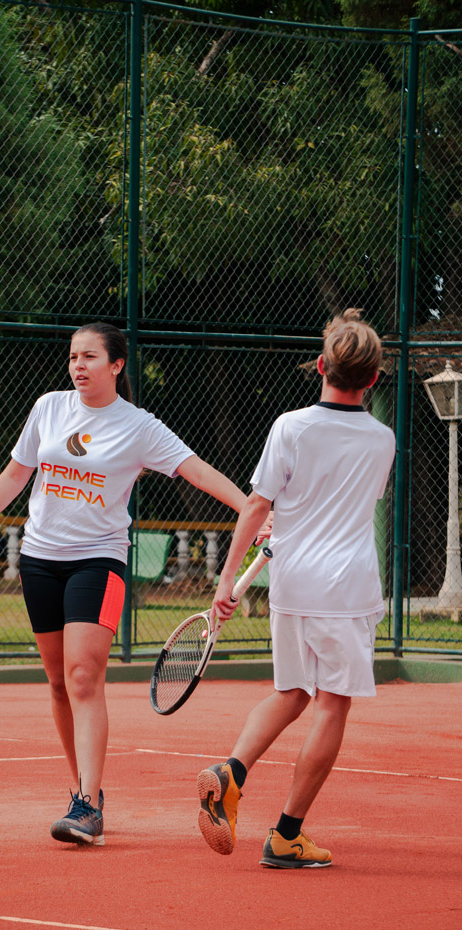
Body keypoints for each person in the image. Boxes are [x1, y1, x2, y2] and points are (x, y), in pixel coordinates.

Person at [0, 321, 246, 847]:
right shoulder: (48, 408)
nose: (78, 366)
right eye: (73, 357)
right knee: (58, 683)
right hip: (39, 560)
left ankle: (88, 806)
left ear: (116, 365)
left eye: (89, 356)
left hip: (99, 561)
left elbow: (197, 471)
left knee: (84, 677)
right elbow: (15, 475)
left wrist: (251, 510)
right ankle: (81, 793)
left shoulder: (139, 426)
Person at [196, 308, 396, 869]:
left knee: (291, 692)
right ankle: (286, 836)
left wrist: (227, 578)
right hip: (346, 592)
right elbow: (349, 505)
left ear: (320, 366)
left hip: (290, 584)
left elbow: (259, 505)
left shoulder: (289, 426)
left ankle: (232, 771)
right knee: (331, 704)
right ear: (373, 378)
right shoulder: (382, 440)